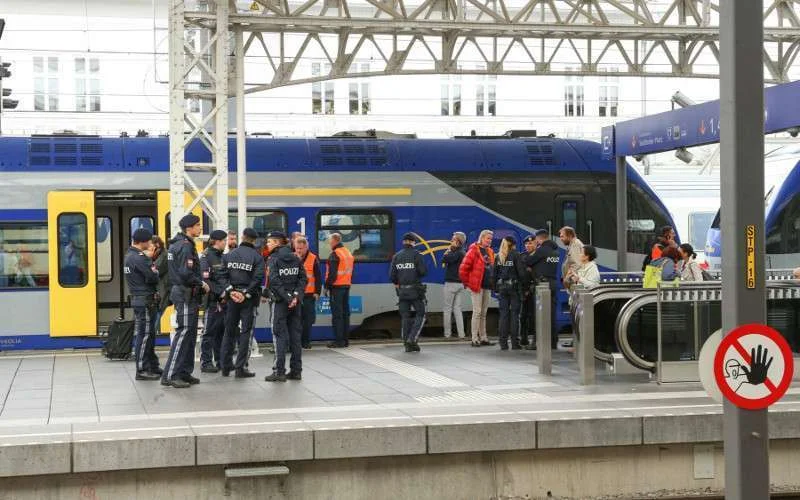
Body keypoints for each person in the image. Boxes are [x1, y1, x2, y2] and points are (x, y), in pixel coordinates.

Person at [161, 214, 208, 389]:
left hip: (184, 294)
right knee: (184, 333)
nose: (200, 228)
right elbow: (185, 273)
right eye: (197, 225)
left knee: (189, 334)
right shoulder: (185, 247)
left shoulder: (178, 244)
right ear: (189, 228)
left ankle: (184, 372)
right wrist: (201, 283)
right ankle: (172, 374)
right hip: (185, 294)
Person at [220, 228, 265, 378]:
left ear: (242, 237)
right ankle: (240, 368)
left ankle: (225, 366)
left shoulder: (228, 256)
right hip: (248, 299)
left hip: (232, 298)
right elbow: (258, 279)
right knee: (246, 332)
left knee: (229, 331)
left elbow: (222, 276)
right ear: (254, 240)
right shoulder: (257, 258)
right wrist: (245, 294)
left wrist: (231, 291)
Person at [265, 231, 307, 382]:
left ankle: (279, 371)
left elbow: (275, 282)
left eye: (269, 242)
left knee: (279, 335)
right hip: (295, 304)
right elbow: (303, 278)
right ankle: (296, 371)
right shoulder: (295, 257)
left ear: (277, 243)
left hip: (280, 303)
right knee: (295, 337)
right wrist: (296, 296)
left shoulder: (273, 259)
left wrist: (287, 297)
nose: (267, 245)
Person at [124, 228, 162, 381]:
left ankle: (151, 365)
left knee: (149, 334)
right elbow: (153, 276)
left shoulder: (130, 256)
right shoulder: (140, 258)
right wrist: (155, 271)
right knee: (145, 335)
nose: (150, 243)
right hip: (145, 300)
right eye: (148, 241)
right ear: (142, 242)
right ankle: (141, 369)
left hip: (141, 299)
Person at [390, 232, 428, 352]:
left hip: (402, 291)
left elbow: (392, 276)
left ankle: (408, 344)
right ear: (413, 242)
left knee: (405, 317)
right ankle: (412, 338)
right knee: (421, 314)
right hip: (416, 291)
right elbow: (423, 272)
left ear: (403, 242)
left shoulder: (397, 256)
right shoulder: (417, 255)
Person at [523, 229, 560, 349]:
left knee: (539, 315)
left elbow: (528, 261)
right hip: (553, 283)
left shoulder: (541, 250)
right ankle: (553, 342)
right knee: (551, 314)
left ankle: (537, 342)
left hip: (542, 285)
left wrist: (532, 267)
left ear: (539, 239)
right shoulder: (555, 251)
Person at [459, 229, 496, 347]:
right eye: (487, 238)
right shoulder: (474, 249)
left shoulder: (490, 251)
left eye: (491, 239)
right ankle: (474, 338)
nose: (489, 241)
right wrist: (468, 284)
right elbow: (463, 268)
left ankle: (483, 337)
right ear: (482, 238)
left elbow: (491, 267)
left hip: (487, 285)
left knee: (484, 313)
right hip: (477, 286)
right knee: (477, 312)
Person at [199, 230, 228, 373]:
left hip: (223, 301)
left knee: (221, 333)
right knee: (209, 332)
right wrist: (221, 292)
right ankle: (206, 362)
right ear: (217, 241)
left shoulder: (221, 256)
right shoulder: (206, 256)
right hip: (212, 301)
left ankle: (221, 361)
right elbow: (205, 279)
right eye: (224, 240)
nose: (226, 243)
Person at [494, 236, 526, 350]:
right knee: (514, 315)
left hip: (502, 288)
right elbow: (521, 273)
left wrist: (496, 289)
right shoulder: (516, 255)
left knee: (503, 315)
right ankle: (514, 343)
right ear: (513, 245)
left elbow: (494, 274)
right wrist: (525, 286)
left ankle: (503, 343)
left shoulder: (498, 256)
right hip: (514, 288)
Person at [325, 233, 354, 348]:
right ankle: (345, 340)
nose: (329, 243)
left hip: (336, 287)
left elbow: (332, 274)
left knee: (337, 315)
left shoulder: (335, 254)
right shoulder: (347, 252)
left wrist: (326, 286)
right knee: (345, 314)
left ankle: (339, 341)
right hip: (346, 286)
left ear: (335, 241)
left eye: (330, 241)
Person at [295, 236, 321, 349]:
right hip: (296, 295)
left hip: (309, 295)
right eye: (297, 248)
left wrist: (317, 292)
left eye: (301, 248)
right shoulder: (292, 258)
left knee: (308, 320)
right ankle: (296, 342)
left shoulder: (313, 258)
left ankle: (305, 341)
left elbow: (318, 277)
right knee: (296, 320)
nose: (299, 250)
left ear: (306, 247)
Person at [441, 231, 467, 340]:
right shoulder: (463, 252)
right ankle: (461, 334)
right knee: (457, 309)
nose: (451, 241)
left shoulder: (456, 253)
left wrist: (449, 249)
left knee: (447, 309)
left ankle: (447, 334)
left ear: (457, 241)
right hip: (460, 284)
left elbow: (445, 258)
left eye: (453, 239)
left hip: (451, 283)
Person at [518, 235, 538, 347]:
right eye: (526, 244)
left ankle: (535, 340)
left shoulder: (539, 256)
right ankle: (523, 338)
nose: (528, 245)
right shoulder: (522, 256)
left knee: (535, 316)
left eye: (530, 243)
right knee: (523, 316)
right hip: (524, 290)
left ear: (536, 244)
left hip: (535, 289)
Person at [151, 235, 170, 331]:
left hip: (163, 288)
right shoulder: (160, 254)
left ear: (157, 245)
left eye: (151, 246)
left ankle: (154, 333)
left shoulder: (164, 255)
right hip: (161, 288)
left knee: (159, 311)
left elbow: (155, 269)